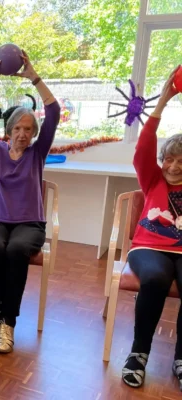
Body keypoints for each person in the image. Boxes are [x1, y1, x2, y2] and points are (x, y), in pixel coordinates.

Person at [0, 51, 60, 353]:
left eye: (28, 130)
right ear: (7, 132)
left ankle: (8, 321)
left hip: (29, 224)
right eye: (17, 129)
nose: (22, 134)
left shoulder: (37, 154)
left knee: (17, 250)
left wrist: (34, 76)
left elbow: (54, 111)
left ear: (34, 134)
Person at [122, 65, 182, 389]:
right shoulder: (152, 177)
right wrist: (163, 101)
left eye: (180, 161)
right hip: (148, 248)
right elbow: (144, 145)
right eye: (168, 159)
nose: (172, 166)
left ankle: (181, 358)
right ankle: (138, 354)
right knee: (157, 277)